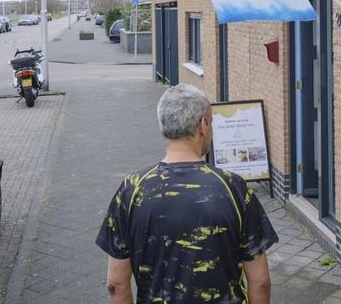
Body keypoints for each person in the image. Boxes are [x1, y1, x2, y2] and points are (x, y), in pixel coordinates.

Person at [96, 84, 276, 304]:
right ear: (204, 125)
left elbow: (116, 284)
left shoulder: (131, 190)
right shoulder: (233, 187)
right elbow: (261, 282)